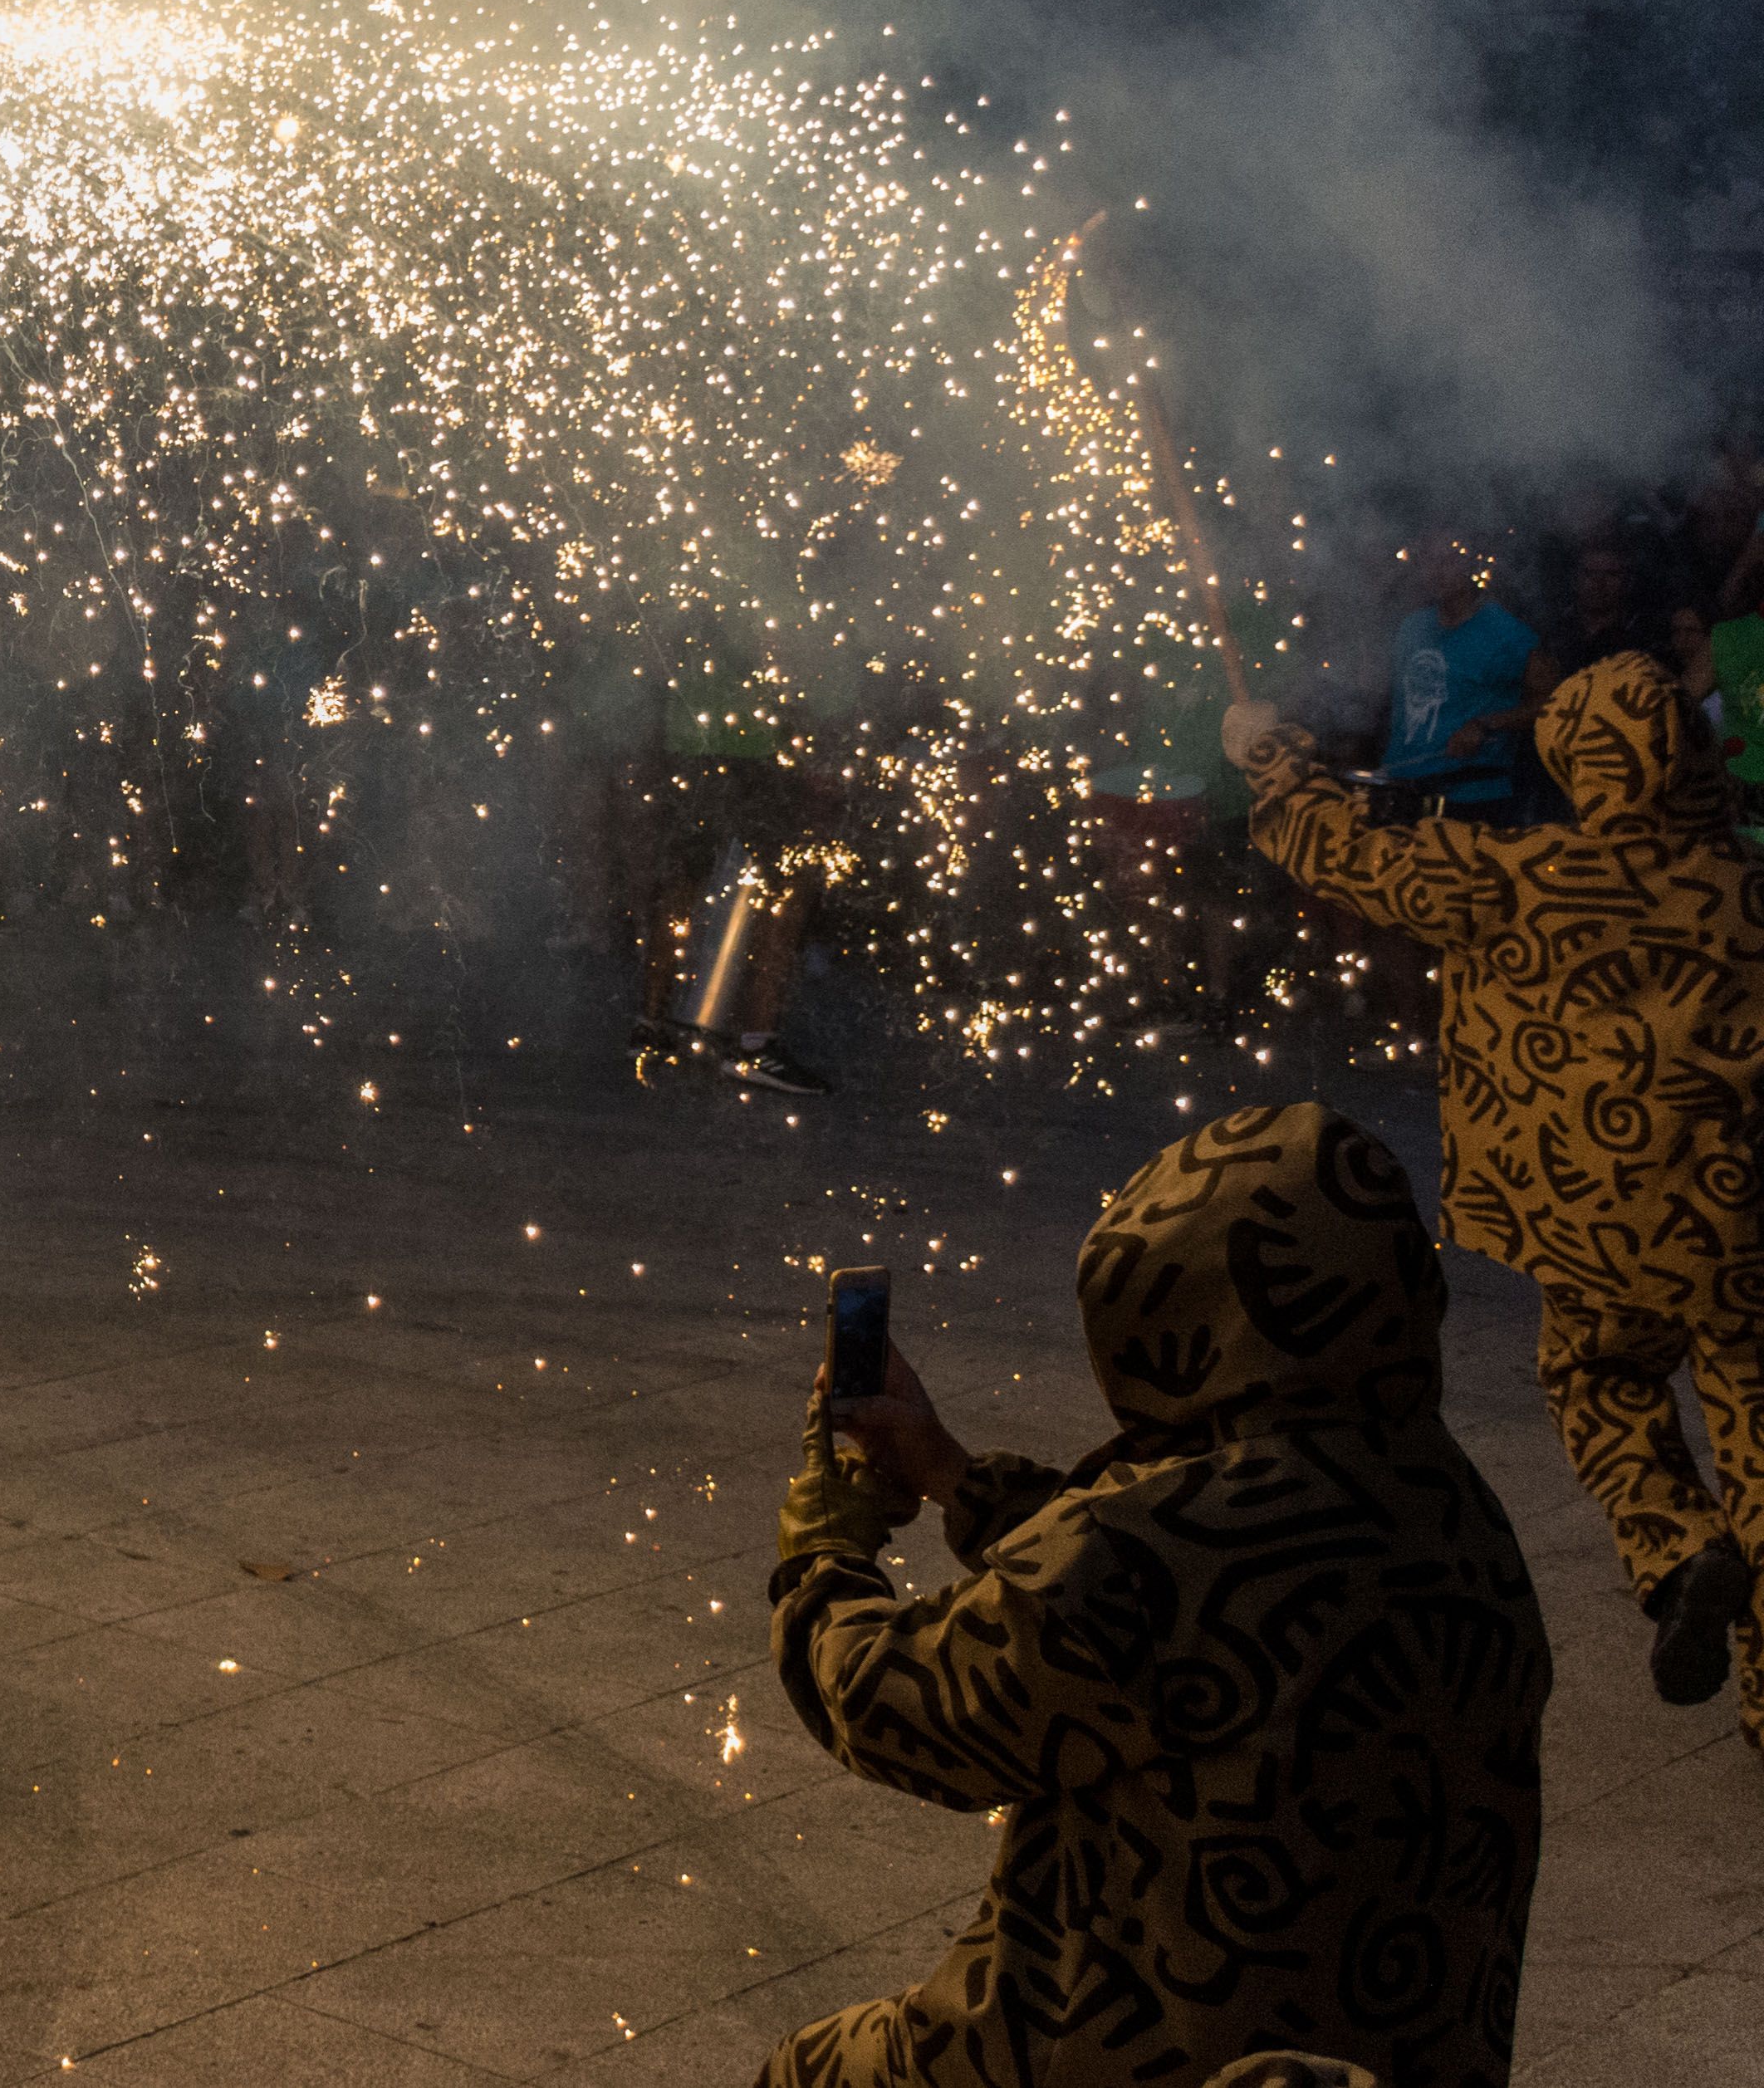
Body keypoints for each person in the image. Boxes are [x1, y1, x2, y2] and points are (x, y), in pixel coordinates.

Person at [765, 1101, 1548, 2088]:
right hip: (1397, 2052)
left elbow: (895, 1707)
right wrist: (952, 1474)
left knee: (814, 2072)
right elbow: (1159, 1607)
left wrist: (823, 1551)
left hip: (1121, 2047)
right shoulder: (1448, 1506)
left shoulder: (1155, 1545)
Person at [1230, 654, 1764, 1728]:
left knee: (1599, 1376)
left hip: (1597, 1226)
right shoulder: (1747, 887)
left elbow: (1343, 850)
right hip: (1743, 1225)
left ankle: (1677, 1542)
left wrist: (1273, 759)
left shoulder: (1518, 876)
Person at [621, 620, 834, 1094]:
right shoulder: (774, 563)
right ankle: (755, 1046)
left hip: (691, 734)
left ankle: (651, 1026)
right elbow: (781, 648)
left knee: (682, 884)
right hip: (752, 745)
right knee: (786, 889)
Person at [1372, 532, 1547, 822]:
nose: (1438, 571)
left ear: (1470, 565)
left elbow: (1550, 702)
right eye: (1429, 561)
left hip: (1471, 798)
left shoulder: (1505, 632)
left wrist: (1485, 724)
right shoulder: (1412, 627)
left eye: (1449, 560)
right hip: (1401, 789)